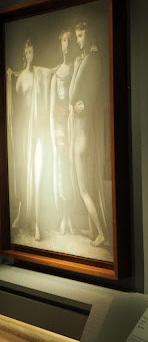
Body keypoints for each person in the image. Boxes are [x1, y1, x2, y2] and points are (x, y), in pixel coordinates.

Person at [6, 38, 53, 241]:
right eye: (27, 52)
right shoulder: (20, 79)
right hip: (26, 130)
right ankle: (22, 214)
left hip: (39, 130)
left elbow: (54, 70)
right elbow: (17, 102)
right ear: (24, 54)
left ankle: (37, 222)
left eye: (32, 52)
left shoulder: (41, 73)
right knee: (25, 173)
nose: (30, 55)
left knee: (38, 173)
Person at [68, 21, 108, 247]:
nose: (78, 40)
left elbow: (72, 95)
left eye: (81, 36)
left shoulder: (88, 60)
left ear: (89, 34)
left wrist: (76, 67)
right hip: (88, 132)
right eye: (76, 36)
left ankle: (101, 233)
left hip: (82, 137)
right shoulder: (96, 59)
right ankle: (94, 229)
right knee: (89, 186)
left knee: (84, 189)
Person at [49, 29, 75, 235]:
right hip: (59, 128)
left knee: (72, 170)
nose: (67, 44)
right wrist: (52, 135)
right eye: (64, 41)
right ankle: (64, 218)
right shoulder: (56, 74)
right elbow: (51, 109)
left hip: (72, 124)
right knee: (61, 170)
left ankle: (71, 218)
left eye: (69, 40)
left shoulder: (75, 67)